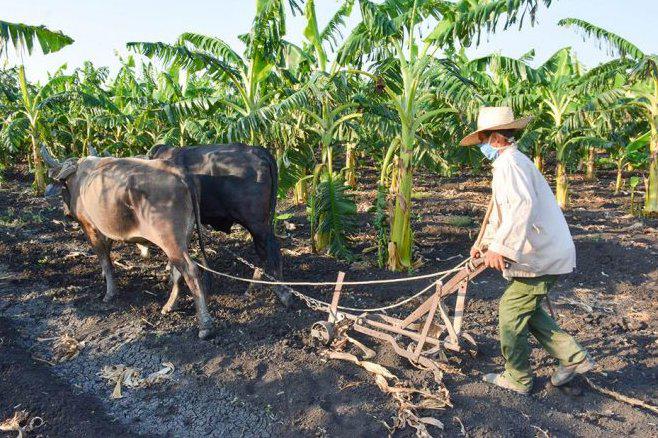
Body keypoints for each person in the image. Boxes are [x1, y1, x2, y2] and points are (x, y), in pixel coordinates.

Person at [460, 106, 594, 395]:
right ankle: (573, 358)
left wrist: (502, 248)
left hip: (541, 255)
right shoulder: (510, 163)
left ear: (495, 137)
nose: (481, 146)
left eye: (482, 139)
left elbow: (523, 208)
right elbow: (503, 213)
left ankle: (518, 378)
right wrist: (485, 244)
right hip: (543, 251)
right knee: (526, 311)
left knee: (510, 310)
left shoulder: (510, 165)